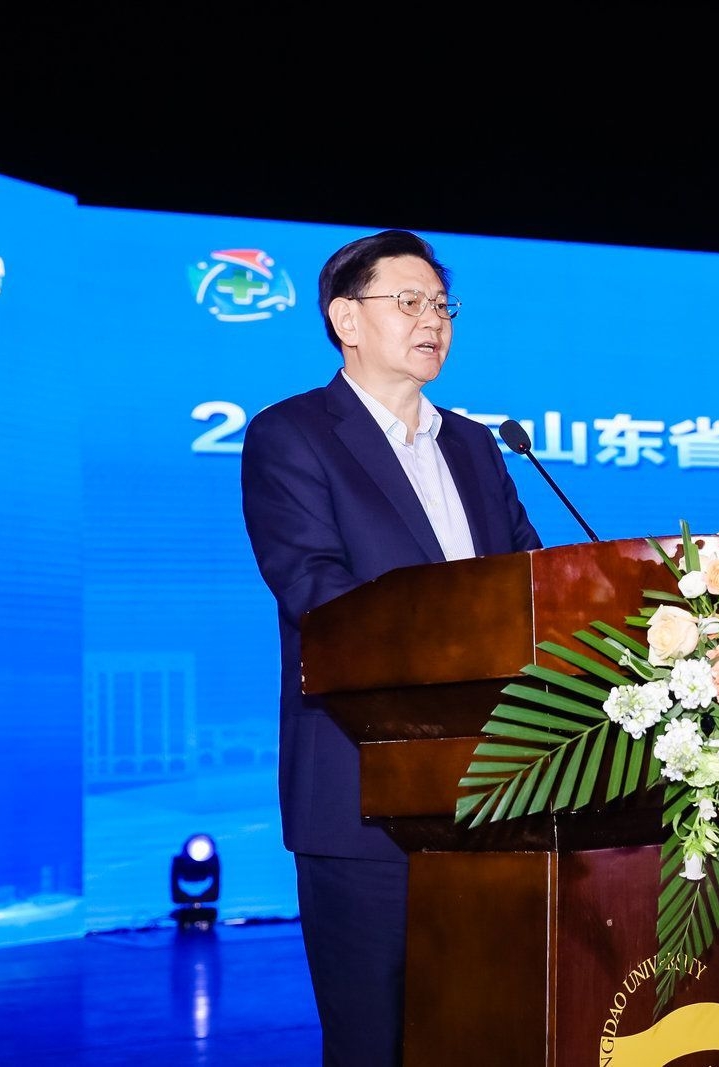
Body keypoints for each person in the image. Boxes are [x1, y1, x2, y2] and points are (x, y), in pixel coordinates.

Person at [239, 229, 542, 1065]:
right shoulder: (293, 435)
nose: (432, 320)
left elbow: (532, 584)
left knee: (487, 1034)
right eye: (408, 301)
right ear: (346, 319)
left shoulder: (475, 445)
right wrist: (463, 643)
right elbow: (317, 594)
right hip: (362, 790)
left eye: (441, 304)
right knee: (375, 1041)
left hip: (496, 793)